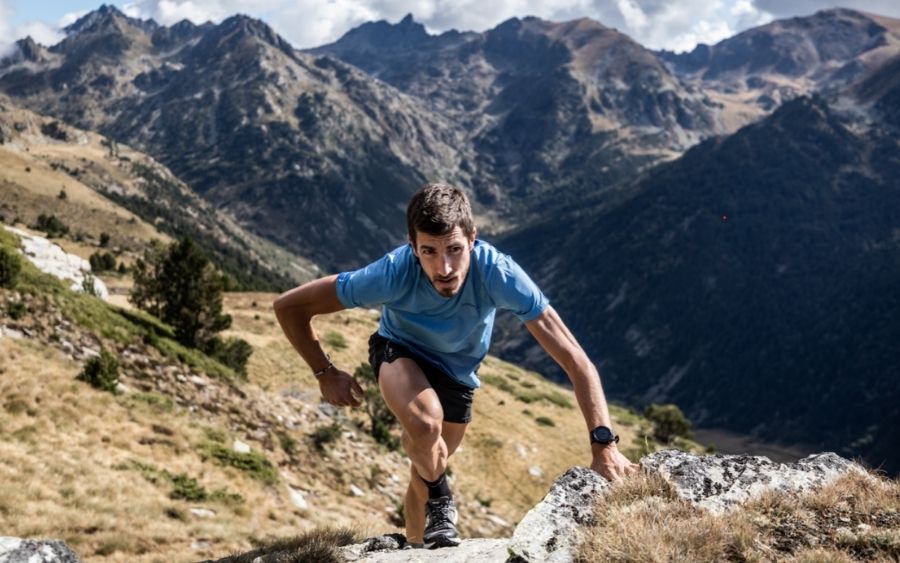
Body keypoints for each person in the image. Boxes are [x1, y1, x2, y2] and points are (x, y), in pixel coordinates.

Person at [273, 183, 638, 549]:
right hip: (399, 351)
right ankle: (444, 501)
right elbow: (289, 306)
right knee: (425, 422)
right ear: (413, 246)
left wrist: (604, 445)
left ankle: (416, 548)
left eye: (454, 250)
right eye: (429, 251)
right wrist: (325, 372)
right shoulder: (391, 274)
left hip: (459, 377)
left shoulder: (499, 273)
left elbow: (577, 362)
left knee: (424, 471)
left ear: (473, 239)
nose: (443, 267)